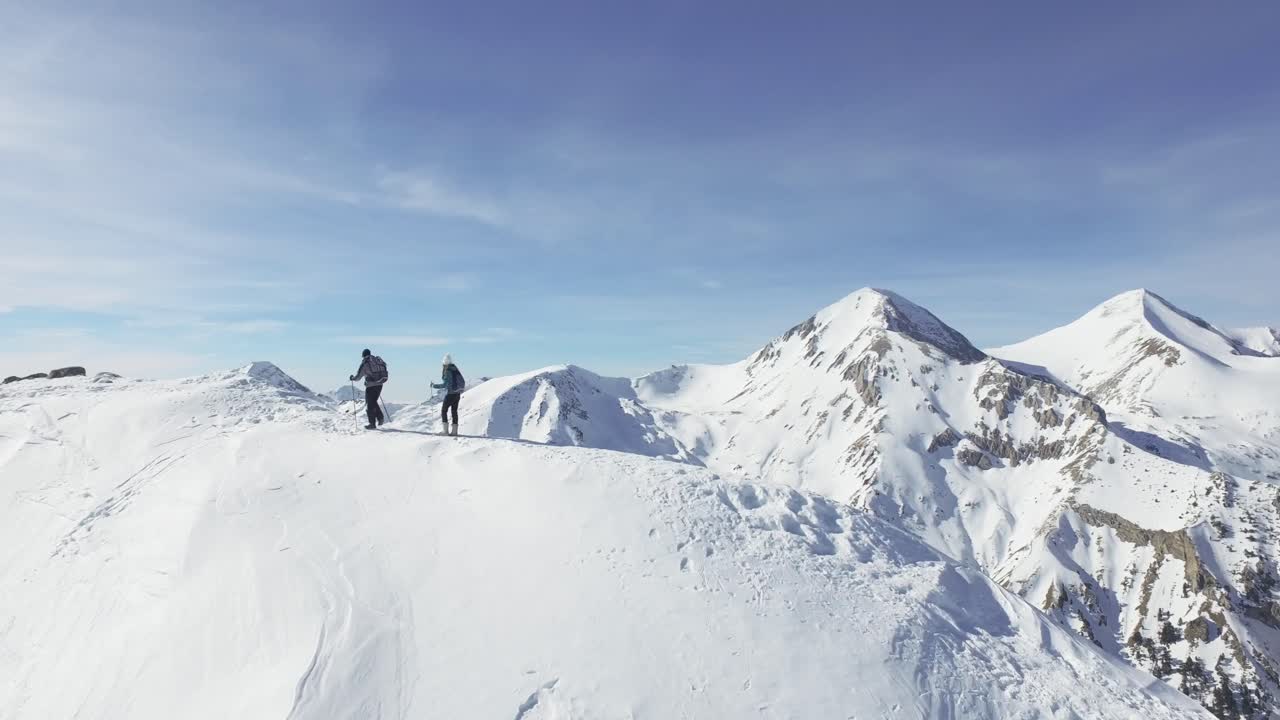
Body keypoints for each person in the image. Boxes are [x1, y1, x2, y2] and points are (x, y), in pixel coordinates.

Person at [349, 349, 389, 430]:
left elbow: (358, 377)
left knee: (370, 404)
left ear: (363, 355)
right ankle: (380, 418)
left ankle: (372, 424)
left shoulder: (365, 363)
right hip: (380, 384)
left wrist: (352, 378)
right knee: (373, 402)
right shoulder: (377, 361)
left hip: (371, 386)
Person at [431, 353, 466, 436]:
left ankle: (445, 431)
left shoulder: (448, 371)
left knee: (444, 410)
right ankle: (454, 432)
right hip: (457, 394)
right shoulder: (455, 369)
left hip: (451, 394)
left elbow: (445, 385)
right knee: (454, 411)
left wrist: (434, 386)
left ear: (444, 363)